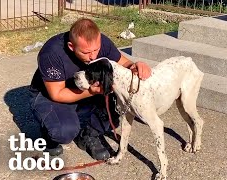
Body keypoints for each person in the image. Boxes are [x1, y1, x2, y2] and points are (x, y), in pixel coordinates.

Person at [29, 18, 151, 160]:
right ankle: (49, 131)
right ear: (71, 46)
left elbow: (124, 63)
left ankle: (88, 134)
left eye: (96, 50)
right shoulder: (51, 53)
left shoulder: (99, 42)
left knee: (119, 108)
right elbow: (57, 94)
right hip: (51, 94)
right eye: (86, 53)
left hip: (85, 88)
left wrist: (136, 65)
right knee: (64, 132)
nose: (93, 56)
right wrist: (91, 92)